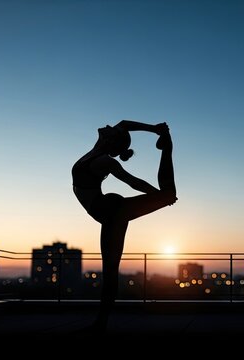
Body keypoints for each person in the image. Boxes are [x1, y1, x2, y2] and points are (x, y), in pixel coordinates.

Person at [72, 120, 177, 330]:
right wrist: (155, 129)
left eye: (113, 131)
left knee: (110, 269)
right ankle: (101, 322)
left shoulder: (105, 161)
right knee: (110, 268)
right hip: (109, 209)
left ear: (112, 140)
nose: (109, 126)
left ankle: (100, 323)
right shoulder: (99, 147)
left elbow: (134, 182)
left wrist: (159, 197)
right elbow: (125, 124)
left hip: (113, 213)